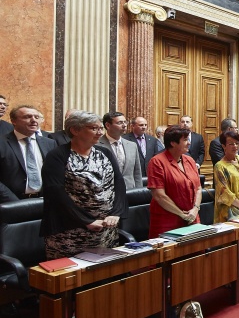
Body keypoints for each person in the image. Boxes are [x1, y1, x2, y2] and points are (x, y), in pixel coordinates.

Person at [40, 111, 127, 259]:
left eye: (101, 128)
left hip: (105, 229)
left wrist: (116, 213)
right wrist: (86, 221)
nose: (100, 133)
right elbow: (55, 193)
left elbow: (118, 182)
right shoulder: (57, 155)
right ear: (75, 130)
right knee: (72, 277)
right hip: (70, 230)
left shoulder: (104, 152)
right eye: (94, 128)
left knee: (104, 273)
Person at [147, 125, 202, 238]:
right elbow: (159, 195)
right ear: (173, 143)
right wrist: (181, 214)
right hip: (168, 220)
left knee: (196, 252)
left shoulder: (190, 160)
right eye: (185, 140)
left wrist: (195, 209)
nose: (189, 143)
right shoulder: (157, 162)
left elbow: (198, 188)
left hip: (192, 216)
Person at [0, 105, 57, 202]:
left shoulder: (50, 143)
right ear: (13, 121)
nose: (34, 120)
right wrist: (14, 202)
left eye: (36, 117)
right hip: (9, 204)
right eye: (27, 117)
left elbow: (56, 173)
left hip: (44, 201)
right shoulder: (2, 143)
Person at [96, 112, 143, 188]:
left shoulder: (132, 145)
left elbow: (137, 172)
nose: (124, 125)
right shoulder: (96, 145)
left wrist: (139, 191)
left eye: (125, 122)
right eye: (120, 123)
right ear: (108, 125)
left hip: (129, 190)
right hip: (107, 191)